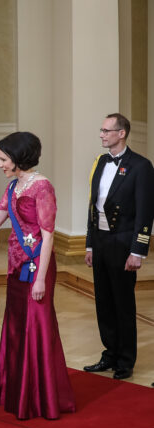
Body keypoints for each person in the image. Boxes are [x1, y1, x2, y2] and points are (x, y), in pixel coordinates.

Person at [0, 132, 75, 420]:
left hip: (37, 268)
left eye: (3, 159)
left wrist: (40, 280)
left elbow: (47, 238)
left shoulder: (42, 187)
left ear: (19, 159)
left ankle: (42, 398)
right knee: (17, 328)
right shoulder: (13, 188)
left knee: (37, 327)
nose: (0, 164)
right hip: (14, 268)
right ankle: (20, 391)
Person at [83, 113, 154, 380]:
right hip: (100, 241)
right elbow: (93, 207)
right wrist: (90, 244)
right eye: (101, 130)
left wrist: (138, 250)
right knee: (103, 301)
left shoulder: (141, 166)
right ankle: (110, 352)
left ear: (121, 133)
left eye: (106, 130)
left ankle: (125, 359)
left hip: (123, 243)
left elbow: (145, 213)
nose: (101, 134)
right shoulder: (101, 162)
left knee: (123, 303)